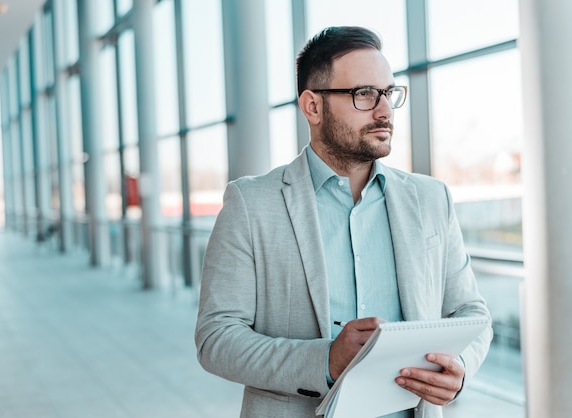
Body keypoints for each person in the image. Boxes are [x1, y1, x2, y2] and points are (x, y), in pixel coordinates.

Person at [195, 26, 492, 418]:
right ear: (313, 106)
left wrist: (461, 368)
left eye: (388, 93)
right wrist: (325, 360)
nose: (384, 110)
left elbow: (472, 313)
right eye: (364, 94)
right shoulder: (251, 204)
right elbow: (216, 339)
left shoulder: (430, 198)